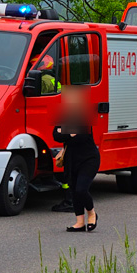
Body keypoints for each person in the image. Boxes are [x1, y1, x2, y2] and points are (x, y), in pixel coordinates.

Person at [53, 85, 101, 231]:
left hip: (89, 159)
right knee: (74, 190)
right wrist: (69, 133)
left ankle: (92, 213)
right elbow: (55, 135)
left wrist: (64, 132)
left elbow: (81, 137)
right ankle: (79, 222)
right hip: (71, 160)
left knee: (81, 189)